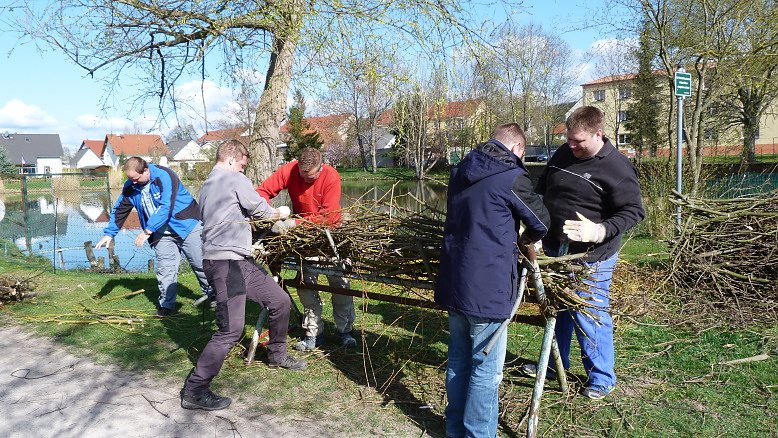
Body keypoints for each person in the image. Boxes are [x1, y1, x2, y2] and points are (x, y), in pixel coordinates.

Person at [434, 123, 550, 438]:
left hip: (455, 280)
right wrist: (525, 238)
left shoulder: (461, 170)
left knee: (458, 358)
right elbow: (541, 221)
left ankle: (455, 430)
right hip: (487, 287)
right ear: (517, 149)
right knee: (486, 370)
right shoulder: (511, 176)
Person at [526, 106, 645, 400]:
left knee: (589, 313)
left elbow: (634, 211)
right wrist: (534, 226)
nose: (572, 146)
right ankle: (556, 365)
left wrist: (600, 231)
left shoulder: (617, 168)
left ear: (598, 134)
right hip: (555, 249)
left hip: (592, 256)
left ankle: (602, 377)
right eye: (569, 139)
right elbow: (542, 190)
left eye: (579, 141)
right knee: (557, 308)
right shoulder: (564, 153)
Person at [181, 140, 306, 411]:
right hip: (226, 263)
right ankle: (195, 389)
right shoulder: (232, 178)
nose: (243, 169)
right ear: (230, 159)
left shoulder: (207, 186)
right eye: (242, 164)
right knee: (230, 330)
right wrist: (281, 215)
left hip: (239, 260)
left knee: (280, 301)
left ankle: (277, 354)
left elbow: (223, 216)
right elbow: (260, 210)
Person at [256, 147, 357, 351]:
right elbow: (261, 192)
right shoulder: (290, 170)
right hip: (304, 240)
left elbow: (328, 216)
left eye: (311, 176)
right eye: (303, 175)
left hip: (330, 237)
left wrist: (293, 224)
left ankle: (345, 331)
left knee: (339, 285)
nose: (306, 180)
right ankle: (314, 333)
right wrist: (270, 213)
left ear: (320, 168)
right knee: (306, 286)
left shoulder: (331, 176)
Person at [95, 156, 212, 317]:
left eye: (135, 178)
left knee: (200, 264)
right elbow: (120, 209)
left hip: (187, 225)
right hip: (160, 233)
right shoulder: (131, 186)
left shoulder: (165, 176)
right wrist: (109, 234)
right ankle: (167, 305)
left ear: (145, 170)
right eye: (129, 179)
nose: (132, 183)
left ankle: (215, 297)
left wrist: (147, 231)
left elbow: (166, 206)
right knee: (166, 269)